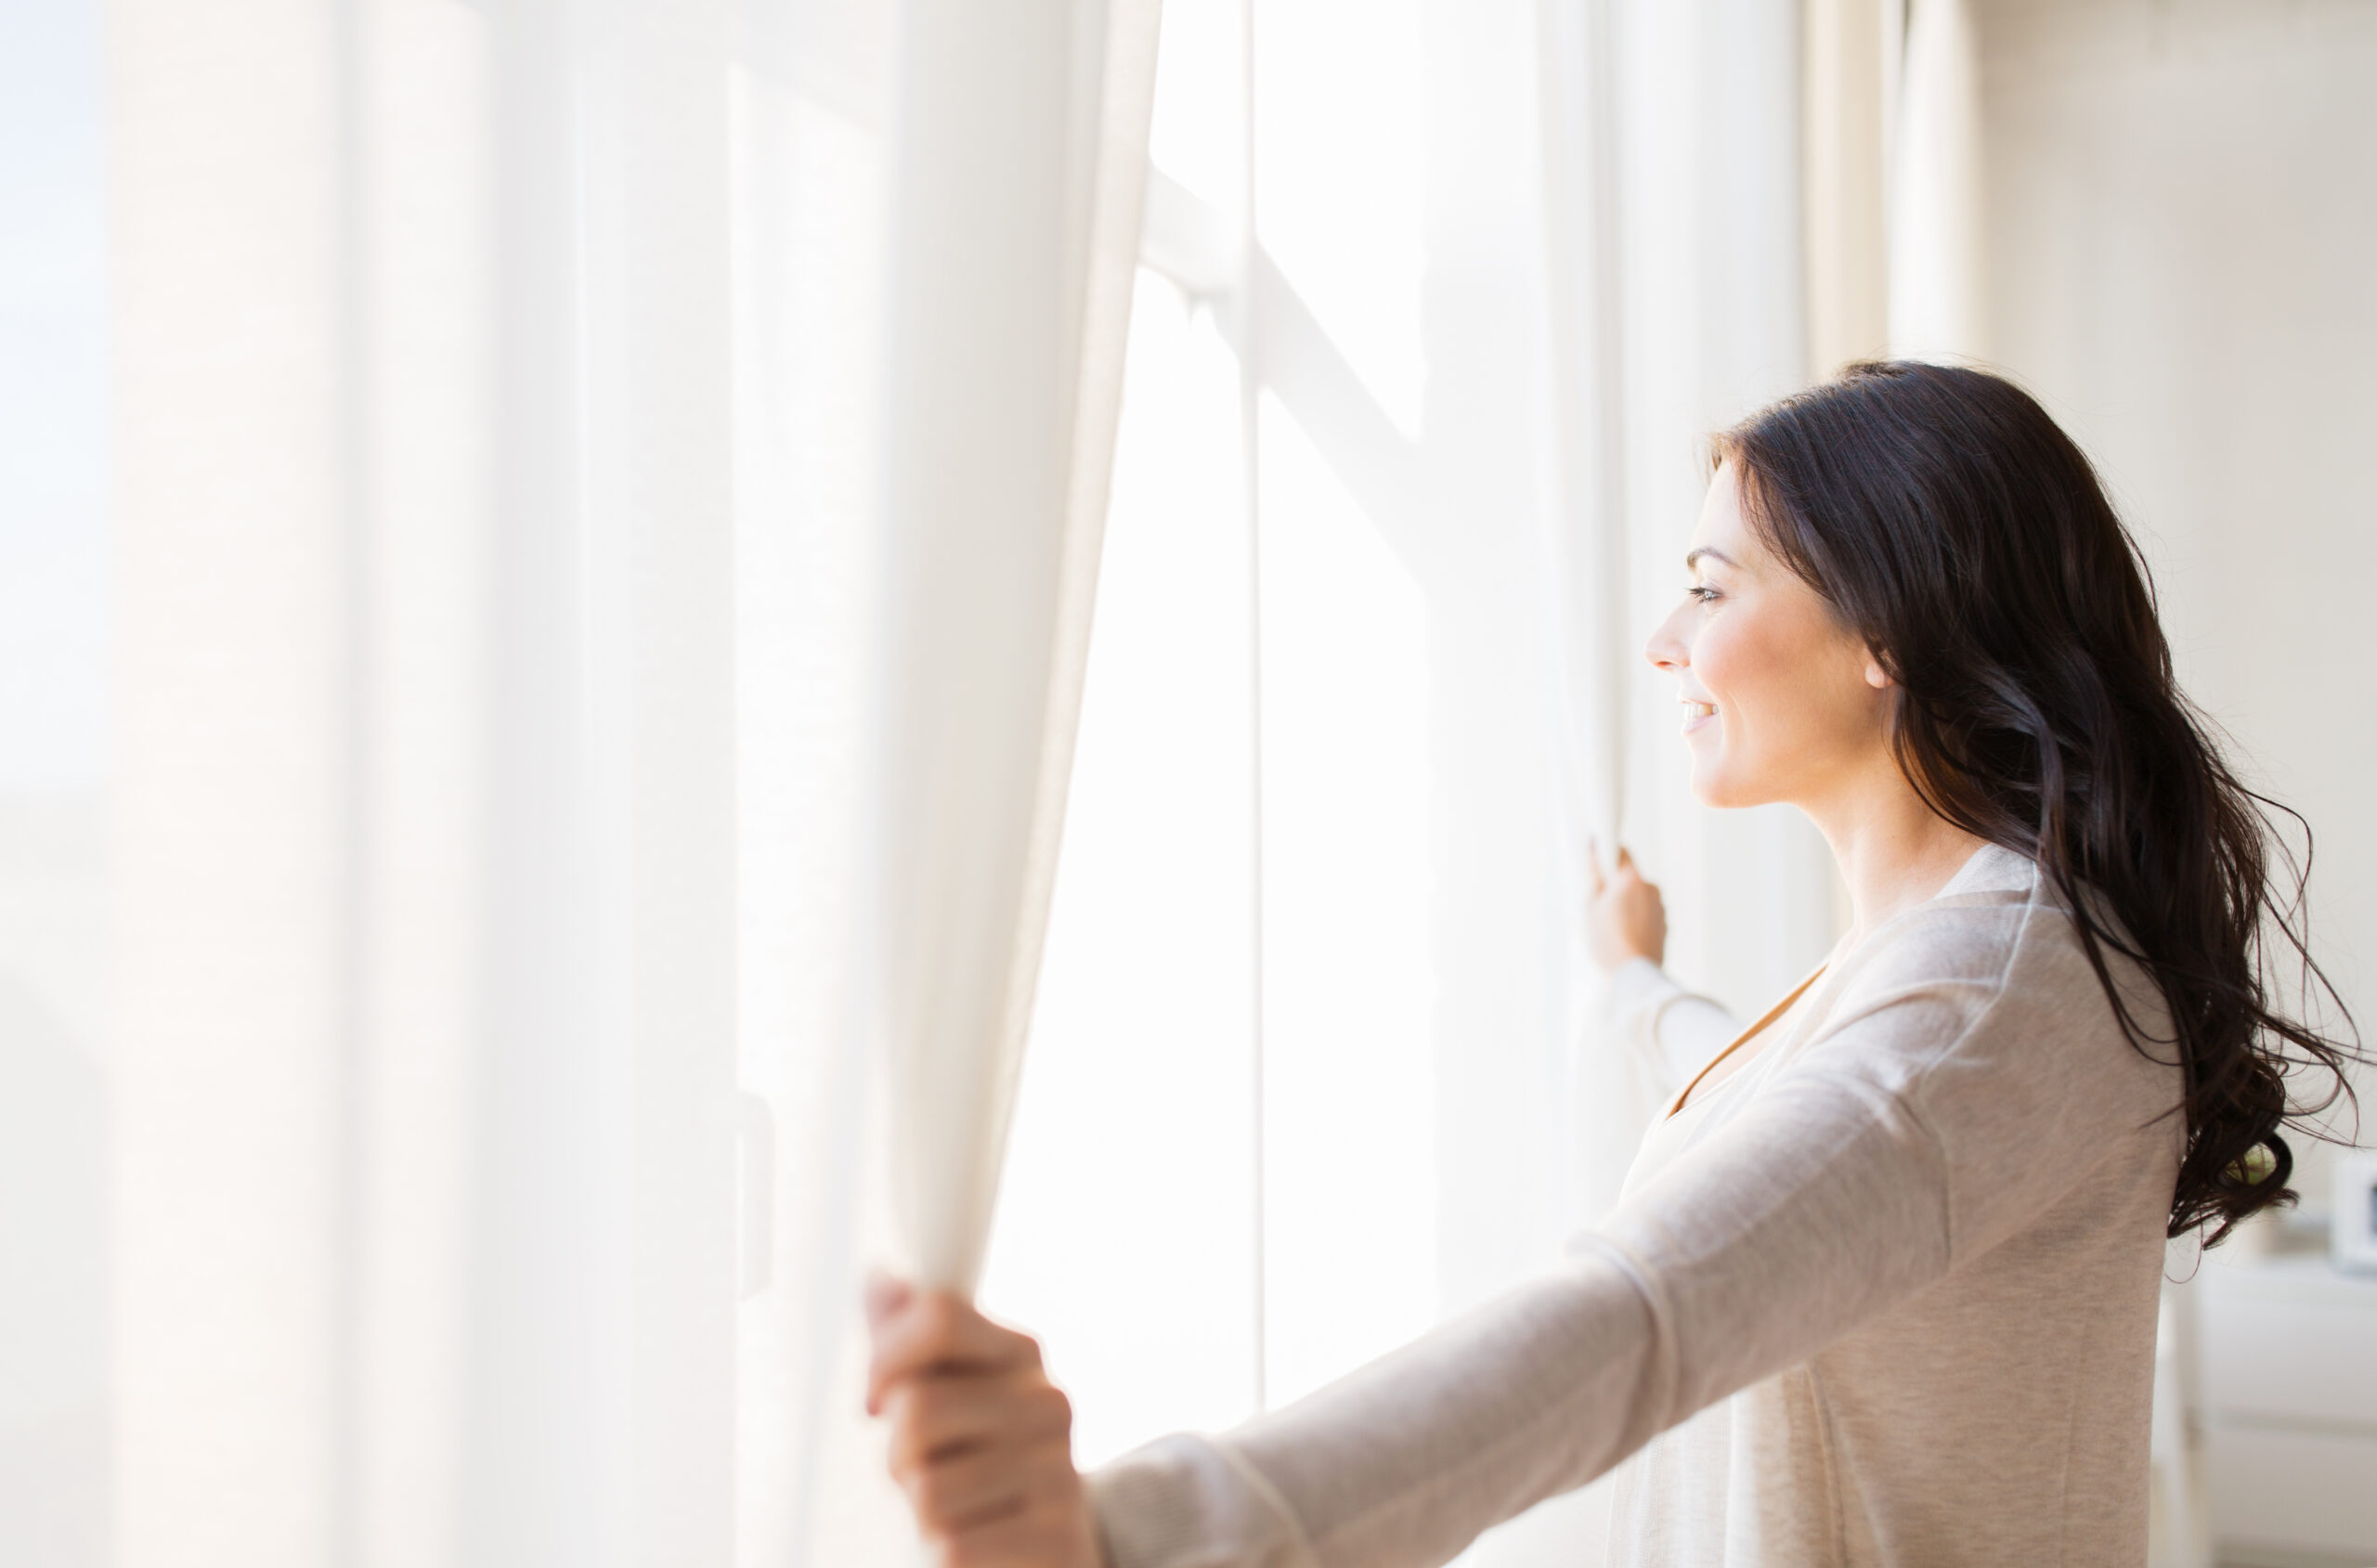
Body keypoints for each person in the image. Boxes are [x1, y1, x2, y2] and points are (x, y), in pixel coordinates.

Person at [863, 362, 2359, 1567]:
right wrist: (1637, 983)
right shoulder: (1975, 968)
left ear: (1884, 627)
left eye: (1711, 585)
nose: (1665, 637)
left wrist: (1145, 1538)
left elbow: (1642, 1312)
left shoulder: (1987, 999)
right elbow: (1811, 1122)